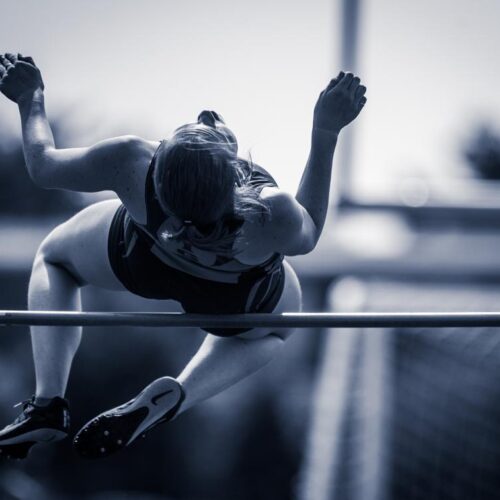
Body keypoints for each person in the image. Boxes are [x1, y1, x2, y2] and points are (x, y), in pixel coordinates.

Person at [0, 53, 366, 460]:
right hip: (236, 298)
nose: (207, 115)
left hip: (141, 260)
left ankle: (48, 403)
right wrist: (326, 131)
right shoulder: (271, 211)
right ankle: (181, 394)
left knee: (55, 258)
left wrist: (30, 97)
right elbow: (310, 232)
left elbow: (43, 166)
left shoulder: (131, 161)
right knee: (277, 331)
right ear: (233, 173)